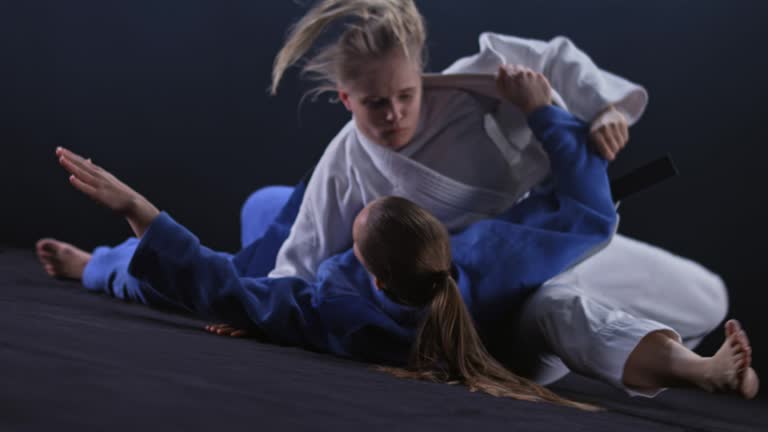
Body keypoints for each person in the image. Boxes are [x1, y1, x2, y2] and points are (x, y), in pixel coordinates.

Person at [38, 66, 757, 401]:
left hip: (508, 345)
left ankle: (96, 267)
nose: (391, 113)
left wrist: (136, 217)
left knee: (256, 216)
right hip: (520, 334)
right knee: (572, 307)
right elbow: (589, 215)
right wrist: (551, 116)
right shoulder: (486, 259)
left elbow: (215, 284)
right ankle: (695, 368)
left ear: (368, 269)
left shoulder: (332, 311)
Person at [259, 0, 750, 398]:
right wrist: (255, 314)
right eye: (374, 103)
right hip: (483, 314)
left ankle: (634, 348)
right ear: (346, 99)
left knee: (708, 297)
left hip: (543, 249)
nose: (394, 114)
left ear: (421, 75)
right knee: (561, 310)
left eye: (406, 94)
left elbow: (555, 61)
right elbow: (301, 258)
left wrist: (603, 110)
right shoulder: (345, 161)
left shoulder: (472, 93)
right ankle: (698, 369)